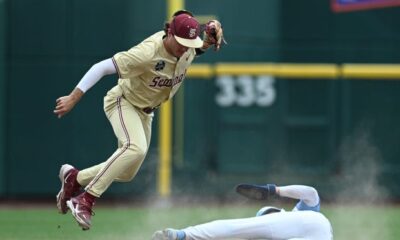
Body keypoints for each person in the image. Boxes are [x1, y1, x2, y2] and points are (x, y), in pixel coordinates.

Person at [53, 10, 225, 230]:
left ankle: (74, 179)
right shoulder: (147, 53)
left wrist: (209, 39)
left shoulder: (188, 47)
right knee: (135, 148)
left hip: (146, 111)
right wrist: (74, 97)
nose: (185, 48)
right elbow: (102, 67)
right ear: (169, 33)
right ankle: (85, 199)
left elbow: (197, 45)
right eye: (181, 42)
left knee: (126, 172)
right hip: (123, 102)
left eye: (189, 43)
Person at [152, 183, 333, 240]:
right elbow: (311, 193)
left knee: (236, 227)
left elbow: (232, 228)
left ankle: (183, 235)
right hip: (320, 229)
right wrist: (274, 190)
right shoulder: (305, 215)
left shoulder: (294, 216)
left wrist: (275, 190)